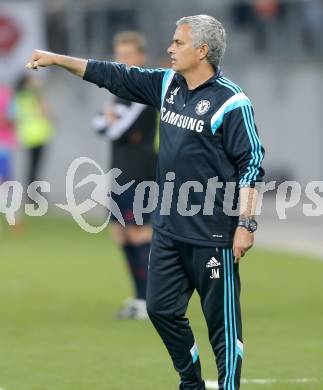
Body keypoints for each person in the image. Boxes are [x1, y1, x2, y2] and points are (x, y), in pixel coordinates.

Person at [26, 14, 265, 390]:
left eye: (178, 43)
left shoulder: (232, 102)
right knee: (160, 310)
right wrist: (58, 58)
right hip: (169, 228)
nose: (169, 48)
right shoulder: (168, 84)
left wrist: (246, 225)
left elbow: (251, 164)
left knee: (223, 326)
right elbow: (112, 74)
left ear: (202, 50)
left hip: (213, 233)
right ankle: (191, 381)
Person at [92, 31, 158, 320]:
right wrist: (107, 120)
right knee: (120, 233)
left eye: (128, 55)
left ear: (140, 57)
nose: (123, 61)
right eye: (119, 55)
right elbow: (97, 122)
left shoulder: (144, 91)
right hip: (120, 170)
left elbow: (116, 128)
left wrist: (109, 120)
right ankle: (139, 297)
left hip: (140, 171)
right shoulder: (120, 91)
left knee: (139, 231)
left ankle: (149, 300)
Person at [12, 74, 54, 195]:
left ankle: (33, 192)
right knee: (34, 167)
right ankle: (34, 193)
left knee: (33, 167)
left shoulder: (21, 97)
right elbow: (49, 113)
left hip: (33, 136)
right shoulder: (33, 97)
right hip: (36, 136)